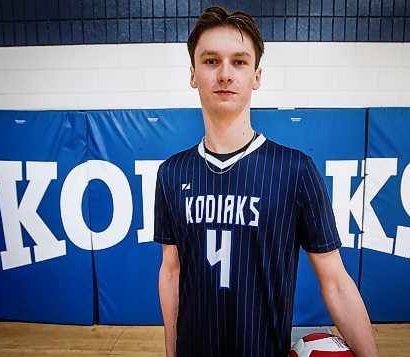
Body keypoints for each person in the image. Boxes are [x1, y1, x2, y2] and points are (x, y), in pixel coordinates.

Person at [154, 6, 379, 357]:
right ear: (193, 74)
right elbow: (171, 272)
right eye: (211, 61)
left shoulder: (295, 170)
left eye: (239, 62)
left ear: (256, 76)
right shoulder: (172, 173)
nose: (225, 74)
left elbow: (335, 281)